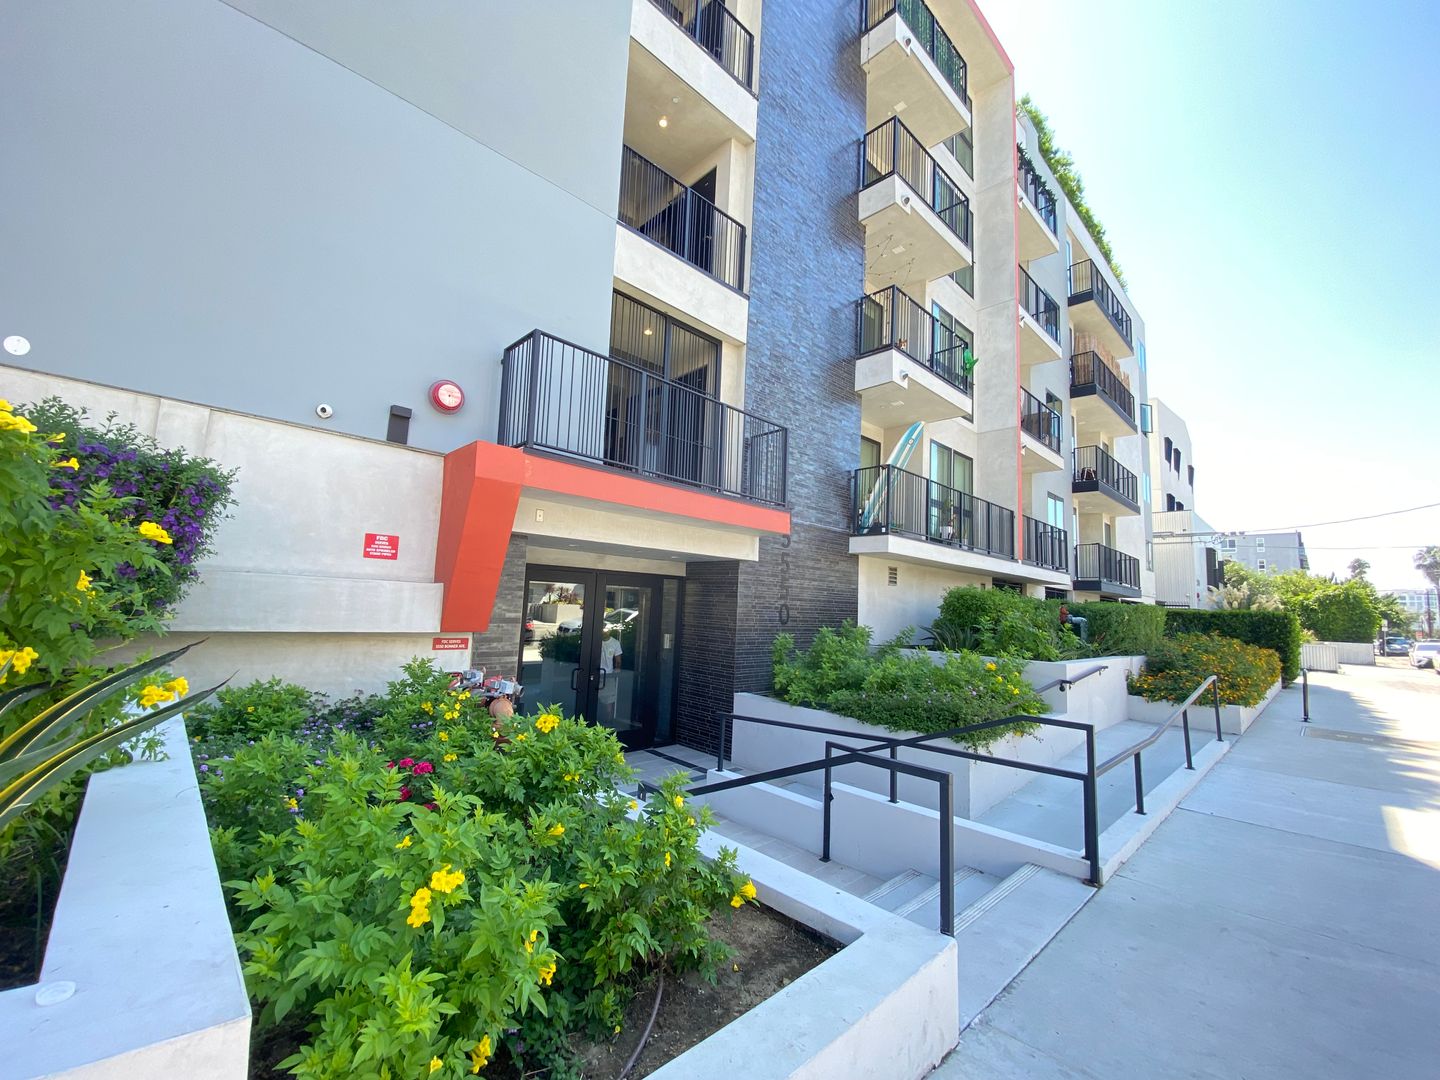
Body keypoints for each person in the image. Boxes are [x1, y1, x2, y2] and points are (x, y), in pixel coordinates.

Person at [598, 625, 623, 723]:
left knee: (608, 699)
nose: (604, 632)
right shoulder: (595, 640)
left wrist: (616, 672)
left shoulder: (615, 643)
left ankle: (608, 721)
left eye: (606, 630)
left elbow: (618, 660)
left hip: (608, 675)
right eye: (603, 630)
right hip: (595, 674)